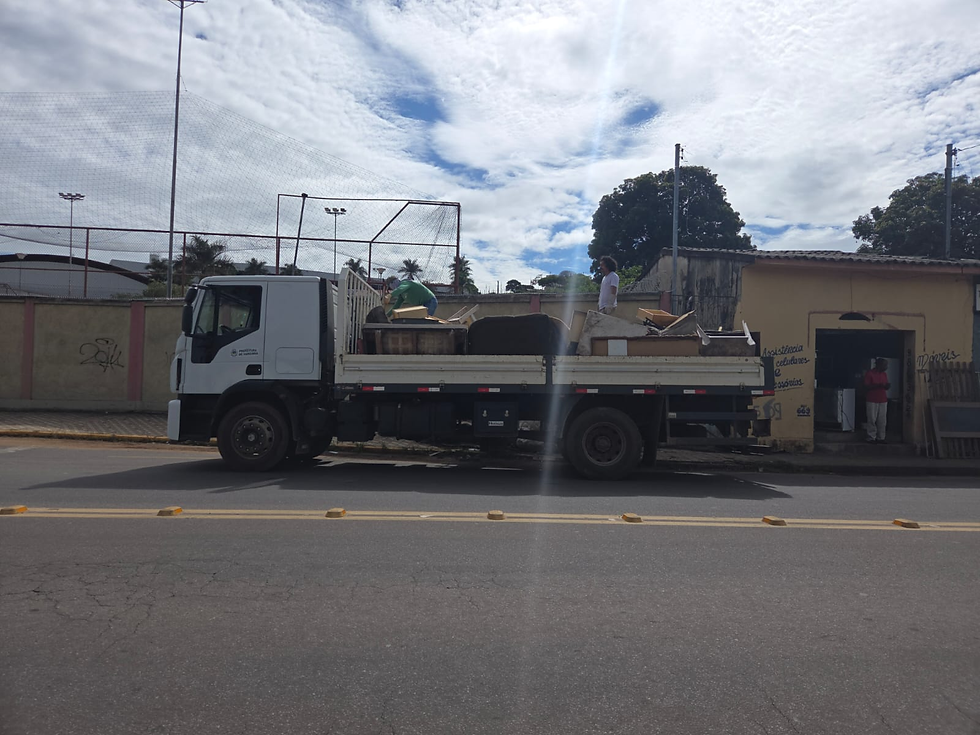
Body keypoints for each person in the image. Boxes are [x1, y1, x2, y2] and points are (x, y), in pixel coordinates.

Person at [863, 357, 891, 443]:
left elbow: (885, 385)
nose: (886, 367)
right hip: (872, 399)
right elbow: (866, 387)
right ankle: (871, 437)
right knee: (872, 419)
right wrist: (878, 385)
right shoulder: (869, 373)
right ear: (879, 365)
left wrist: (886, 386)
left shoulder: (884, 374)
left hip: (883, 399)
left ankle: (881, 437)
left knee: (882, 420)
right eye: (885, 365)